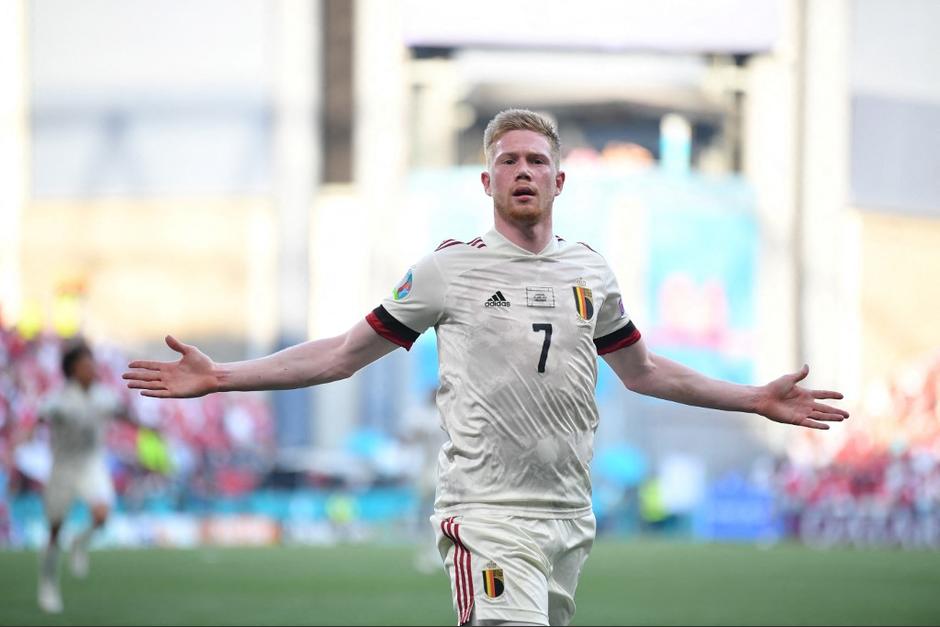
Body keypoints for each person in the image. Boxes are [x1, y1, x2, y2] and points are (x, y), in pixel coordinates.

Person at [123, 109, 849, 626]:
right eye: (509, 161)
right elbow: (342, 354)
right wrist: (223, 376)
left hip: (568, 516)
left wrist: (754, 397)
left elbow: (647, 371)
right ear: (487, 181)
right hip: (485, 513)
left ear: (561, 180)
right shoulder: (447, 271)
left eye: (537, 161)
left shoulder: (590, 271)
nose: (524, 171)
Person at [33, 339, 135, 613]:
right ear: (72, 370)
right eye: (85, 364)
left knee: (102, 515)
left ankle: (80, 542)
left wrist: (148, 426)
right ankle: (48, 583)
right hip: (63, 466)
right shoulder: (59, 400)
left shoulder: (104, 395)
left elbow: (122, 413)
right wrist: (24, 436)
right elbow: (39, 418)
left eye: (92, 363)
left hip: (91, 463)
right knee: (55, 528)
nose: (91, 368)